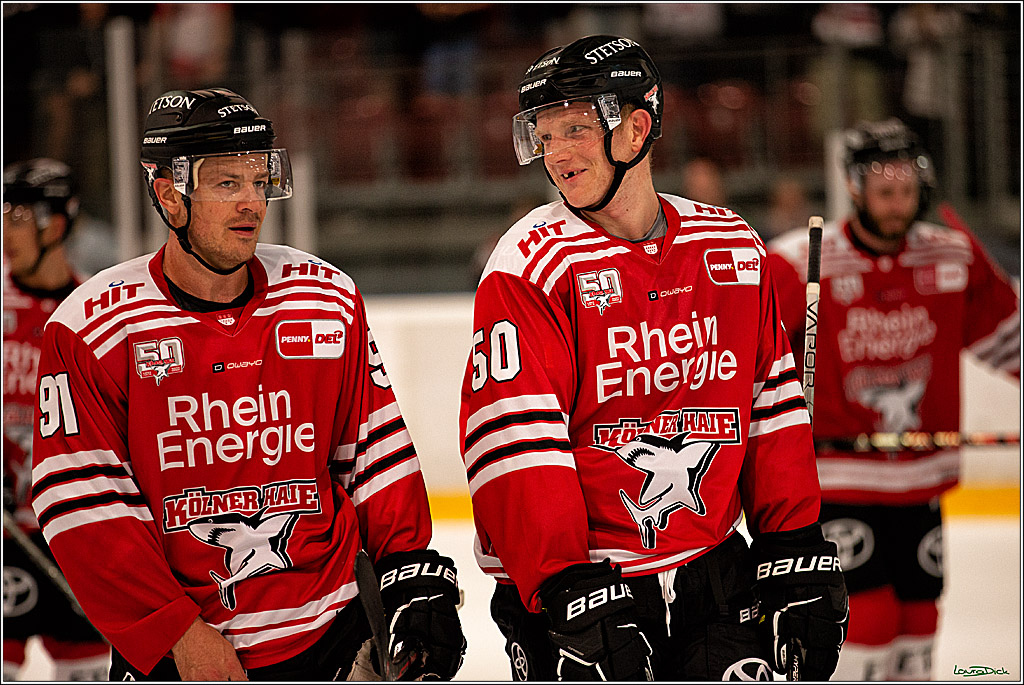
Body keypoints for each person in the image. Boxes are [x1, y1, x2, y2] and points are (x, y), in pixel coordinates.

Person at [29, 88, 466, 681]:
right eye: (226, 184)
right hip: (190, 652)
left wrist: (411, 572)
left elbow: (373, 450)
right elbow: (83, 502)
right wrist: (176, 632)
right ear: (167, 193)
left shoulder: (323, 297)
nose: (251, 205)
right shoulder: (92, 328)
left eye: (258, 182)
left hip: (338, 635)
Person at [458, 35, 848, 681]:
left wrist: (791, 543)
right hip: (586, 583)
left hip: (713, 572)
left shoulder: (729, 244)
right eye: (546, 134)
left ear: (637, 126)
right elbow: (515, 440)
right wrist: (565, 581)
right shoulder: (531, 262)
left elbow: (771, 402)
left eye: (576, 128)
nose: (557, 154)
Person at [767, 118, 1019, 680]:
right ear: (855, 187)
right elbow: (748, 357)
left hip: (924, 478)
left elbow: (1010, 338)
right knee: (866, 618)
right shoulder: (798, 262)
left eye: (905, 189)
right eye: (884, 191)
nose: (897, 202)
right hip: (840, 480)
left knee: (922, 618)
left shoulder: (952, 257)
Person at [3, 159, 111, 680]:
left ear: (57, 225)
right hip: (4, 536)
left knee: (87, 670)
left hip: (72, 537)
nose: (6, 229)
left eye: (20, 214)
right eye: (2, 212)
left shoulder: (91, 312)